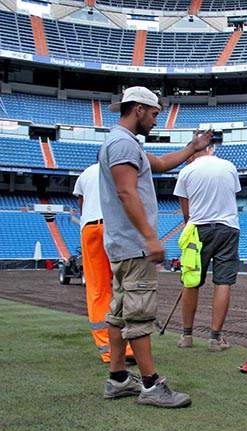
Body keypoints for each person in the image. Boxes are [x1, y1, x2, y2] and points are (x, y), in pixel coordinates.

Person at [99, 86, 211, 408]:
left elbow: (160, 164)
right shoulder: (122, 143)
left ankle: (118, 378)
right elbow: (126, 193)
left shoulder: (122, 142)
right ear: (138, 110)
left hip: (123, 245)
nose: (155, 120)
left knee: (119, 312)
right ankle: (150, 384)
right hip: (133, 245)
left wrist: (193, 147)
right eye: (153, 114)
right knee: (139, 314)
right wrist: (149, 237)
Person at [173, 144, 241, 352]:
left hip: (198, 228)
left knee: (191, 280)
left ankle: (186, 336)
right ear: (209, 150)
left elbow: (186, 212)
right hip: (227, 227)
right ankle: (215, 338)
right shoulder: (229, 166)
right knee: (223, 282)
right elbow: (232, 194)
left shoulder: (186, 171)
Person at [73, 161, 134, 364]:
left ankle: (108, 350)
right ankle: (130, 348)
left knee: (98, 290)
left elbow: (82, 205)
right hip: (116, 226)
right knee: (125, 286)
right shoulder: (121, 168)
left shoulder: (86, 173)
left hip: (91, 229)